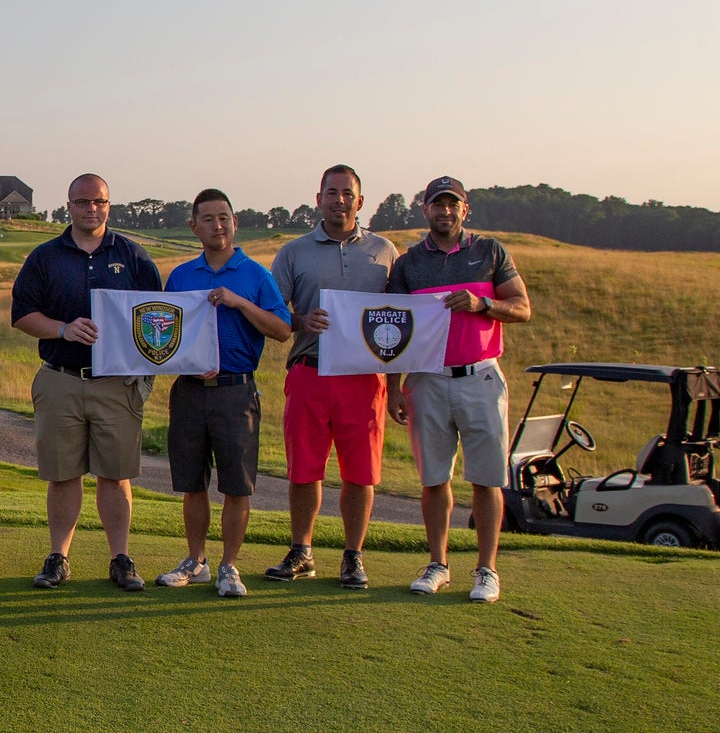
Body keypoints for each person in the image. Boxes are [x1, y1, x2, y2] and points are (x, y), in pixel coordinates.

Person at [11, 173, 162, 592]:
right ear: (69, 206)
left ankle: (120, 558)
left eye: (98, 202)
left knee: (115, 476)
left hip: (116, 384)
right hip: (60, 377)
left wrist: (144, 374)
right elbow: (22, 314)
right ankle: (59, 556)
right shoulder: (45, 257)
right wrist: (62, 329)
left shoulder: (133, 256)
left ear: (108, 206)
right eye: (82, 202)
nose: (90, 209)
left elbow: (157, 318)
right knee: (63, 475)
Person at [388, 176, 531, 603]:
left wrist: (482, 303)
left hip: (481, 378)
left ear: (464, 209)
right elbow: (395, 325)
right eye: (437, 205)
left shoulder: (489, 251)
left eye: (453, 205)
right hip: (427, 380)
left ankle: (487, 570)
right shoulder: (410, 263)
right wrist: (393, 388)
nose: (445, 212)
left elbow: (522, 308)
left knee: (487, 479)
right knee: (434, 478)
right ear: (425, 210)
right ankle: (438, 564)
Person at [155, 189, 291, 598]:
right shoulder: (182, 276)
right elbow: (166, 329)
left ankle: (229, 566)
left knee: (236, 484)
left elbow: (282, 329)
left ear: (234, 223)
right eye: (209, 218)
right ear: (194, 226)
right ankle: (195, 560)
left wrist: (238, 303)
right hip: (191, 391)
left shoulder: (255, 275)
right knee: (192, 482)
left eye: (225, 217)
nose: (218, 225)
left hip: (236, 391)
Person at [267, 165, 398, 589]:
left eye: (347, 193)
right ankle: (302, 551)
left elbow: (402, 320)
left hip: (364, 378)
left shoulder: (385, 252)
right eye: (331, 192)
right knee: (304, 470)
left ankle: (353, 556)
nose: (339, 200)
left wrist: (398, 386)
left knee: (361, 473)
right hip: (310, 371)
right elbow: (273, 315)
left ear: (360, 202)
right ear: (318, 198)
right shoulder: (294, 252)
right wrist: (301, 319)